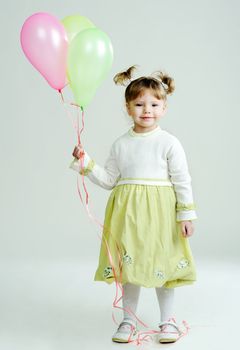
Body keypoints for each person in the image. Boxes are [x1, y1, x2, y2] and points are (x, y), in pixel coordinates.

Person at [70, 66, 197, 344]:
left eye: (154, 104)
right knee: (131, 267)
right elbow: (108, 180)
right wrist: (85, 163)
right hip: (128, 215)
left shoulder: (169, 143)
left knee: (162, 264)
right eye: (139, 104)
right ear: (128, 108)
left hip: (161, 215)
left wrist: (185, 215)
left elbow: (182, 179)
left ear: (164, 107)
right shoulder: (121, 144)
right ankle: (128, 320)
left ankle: (168, 321)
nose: (146, 110)